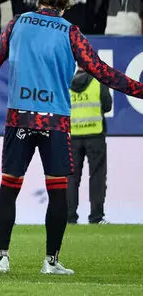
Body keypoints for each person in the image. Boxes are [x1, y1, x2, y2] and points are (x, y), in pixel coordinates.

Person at [0, 0, 143, 275]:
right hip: (54, 120)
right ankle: (51, 261)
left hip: (19, 117)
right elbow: (103, 72)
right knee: (58, 192)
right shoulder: (71, 32)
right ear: (67, 1)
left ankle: (2, 259)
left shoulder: (18, 23)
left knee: (9, 188)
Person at [68, 66, 112, 225]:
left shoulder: (67, 82)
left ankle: (70, 218)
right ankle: (96, 217)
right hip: (95, 135)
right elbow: (107, 106)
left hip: (73, 136)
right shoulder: (98, 81)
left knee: (71, 179)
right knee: (97, 177)